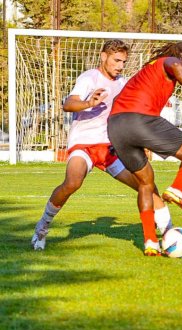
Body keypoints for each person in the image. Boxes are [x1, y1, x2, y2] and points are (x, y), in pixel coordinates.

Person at [31, 40, 172, 251]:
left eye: (123, 62)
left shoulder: (123, 83)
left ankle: (169, 233)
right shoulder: (89, 78)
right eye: (116, 60)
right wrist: (89, 103)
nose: (120, 66)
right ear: (103, 57)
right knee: (72, 182)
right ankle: (42, 227)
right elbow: (68, 104)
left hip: (110, 148)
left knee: (147, 185)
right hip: (84, 144)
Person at [108, 41, 182, 256]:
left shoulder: (147, 70)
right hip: (141, 119)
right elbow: (176, 65)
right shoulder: (170, 61)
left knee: (146, 183)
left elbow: (119, 99)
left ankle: (150, 242)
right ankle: (177, 190)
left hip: (116, 126)